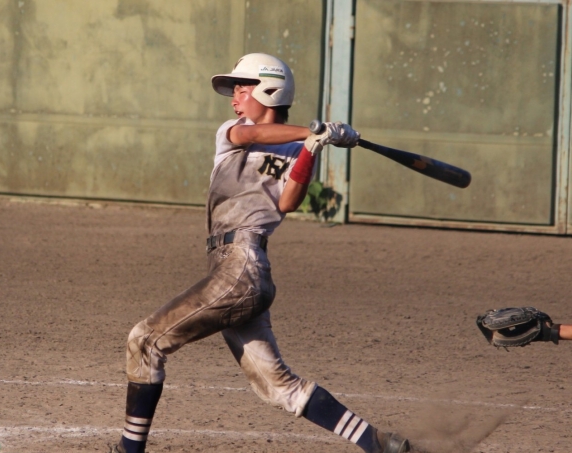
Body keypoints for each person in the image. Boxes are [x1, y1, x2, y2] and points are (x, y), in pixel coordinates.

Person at [110, 53, 411, 453]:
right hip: (229, 270)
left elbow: (288, 202)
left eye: (242, 88)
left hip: (243, 266)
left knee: (145, 341)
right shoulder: (232, 132)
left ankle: (128, 450)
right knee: (278, 386)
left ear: (270, 91)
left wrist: (312, 147)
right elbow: (250, 136)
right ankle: (377, 443)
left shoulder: (298, 148)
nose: (235, 98)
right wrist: (316, 131)